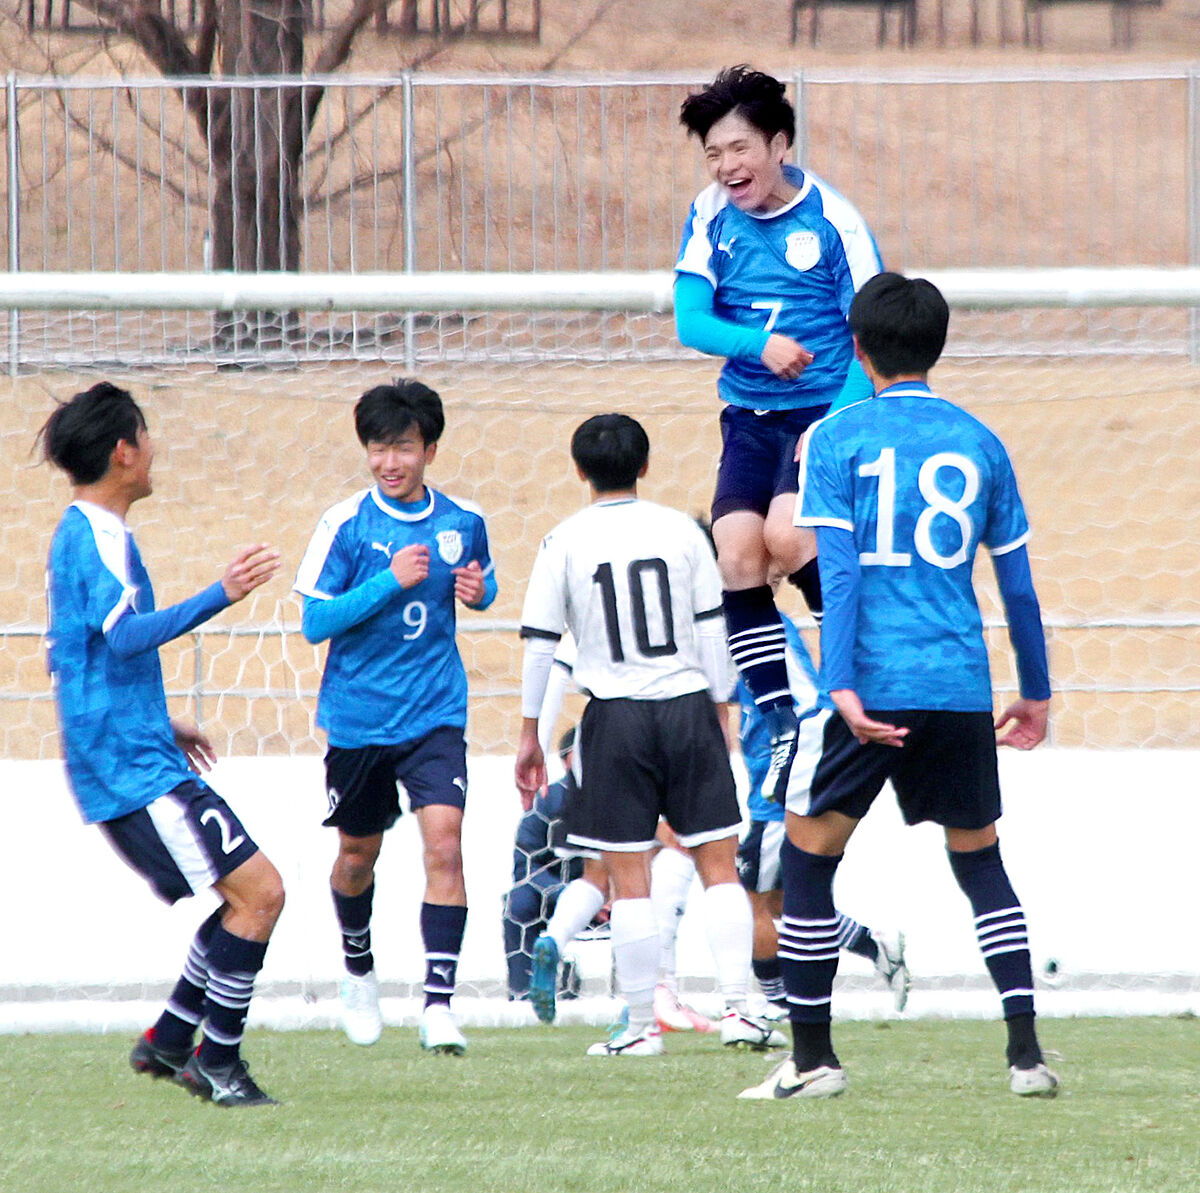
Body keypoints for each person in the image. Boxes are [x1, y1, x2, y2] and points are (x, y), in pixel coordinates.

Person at [740, 272, 1058, 1102]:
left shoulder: (834, 438)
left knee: (807, 864)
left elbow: (838, 575)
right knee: (981, 860)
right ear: (938, 346)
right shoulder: (980, 441)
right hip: (957, 681)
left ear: (857, 349)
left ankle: (814, 1061)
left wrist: (840, 683)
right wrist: (1037, 690)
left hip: (871, 687)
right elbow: (1018, 587)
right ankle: (1026, 1056)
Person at [39, 381, 284, 1108]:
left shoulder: (90, 533)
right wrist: (221, 591)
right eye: (145, 437)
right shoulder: (92, 537)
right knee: (261, 893)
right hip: (130, 771)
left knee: (244, 897)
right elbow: (121, 635)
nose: (153, 451)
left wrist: (156, 716)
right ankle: (217, 1061)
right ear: (124, 450)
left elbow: (80, 654)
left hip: (132, 751)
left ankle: (173, 1040)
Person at [515, 413, 782, 1057]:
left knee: (626, 878)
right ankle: (742, 1011)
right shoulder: (680, 533)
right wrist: (722, 706)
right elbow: (715, 627)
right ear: (645, 466)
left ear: (579, 471)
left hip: (614, 717)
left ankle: (638, 1029)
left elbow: (542, 646)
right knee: (720, 867)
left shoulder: (563, 540)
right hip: (687, 705)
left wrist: (530, 733)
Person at [675, 64, 883, 804]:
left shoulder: (835, 221)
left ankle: (855, 669)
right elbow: (689, 319)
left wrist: (828, 425)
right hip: (749, 416)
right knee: (736, 555)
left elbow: (872, 333)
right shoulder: (709, 216)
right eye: (713, 154)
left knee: (791, 539)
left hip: (826, 412)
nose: (728, 167)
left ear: (780, 144)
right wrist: (757, 346)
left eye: (740, 149)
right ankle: (782, 712)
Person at [294, 378, 497, 1055]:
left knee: (445, 843)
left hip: (436, 710)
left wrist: (479, 590)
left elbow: (483, 580)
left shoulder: (462, 519)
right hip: (358, 719)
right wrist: (388, 581)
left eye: (403, 448)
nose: (390, 462)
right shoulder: (345, 523)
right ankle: (359, 971)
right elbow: (315, 621)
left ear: (429, 449)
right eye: (379, 448)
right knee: (357, 855)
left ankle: (438, 1005)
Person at [736, 611, 908, 1018]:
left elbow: (807, 699)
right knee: (782, 901)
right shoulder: (742, 623)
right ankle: (872, 943)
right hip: (775, 776)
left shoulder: (757, 624)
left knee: (750, 903)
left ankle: (777, 1002)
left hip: (776, 784)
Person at [502, 727, 588, 1001]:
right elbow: (524, 866)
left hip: (610, 896)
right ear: (565, 760)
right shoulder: (547, 799)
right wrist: (566, 894)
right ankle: (523, 993)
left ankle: (643, 994)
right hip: (553, 894)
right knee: (518, 902)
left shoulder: (623, 799)